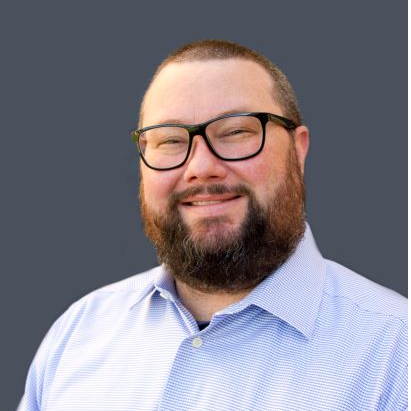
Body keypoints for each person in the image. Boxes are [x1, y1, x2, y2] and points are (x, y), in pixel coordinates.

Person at [18, 39, 408, 411]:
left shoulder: (394, 351)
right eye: (170, 140)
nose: (201, 167)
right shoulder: (78, 333)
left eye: (236, 132)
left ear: (298, 149)